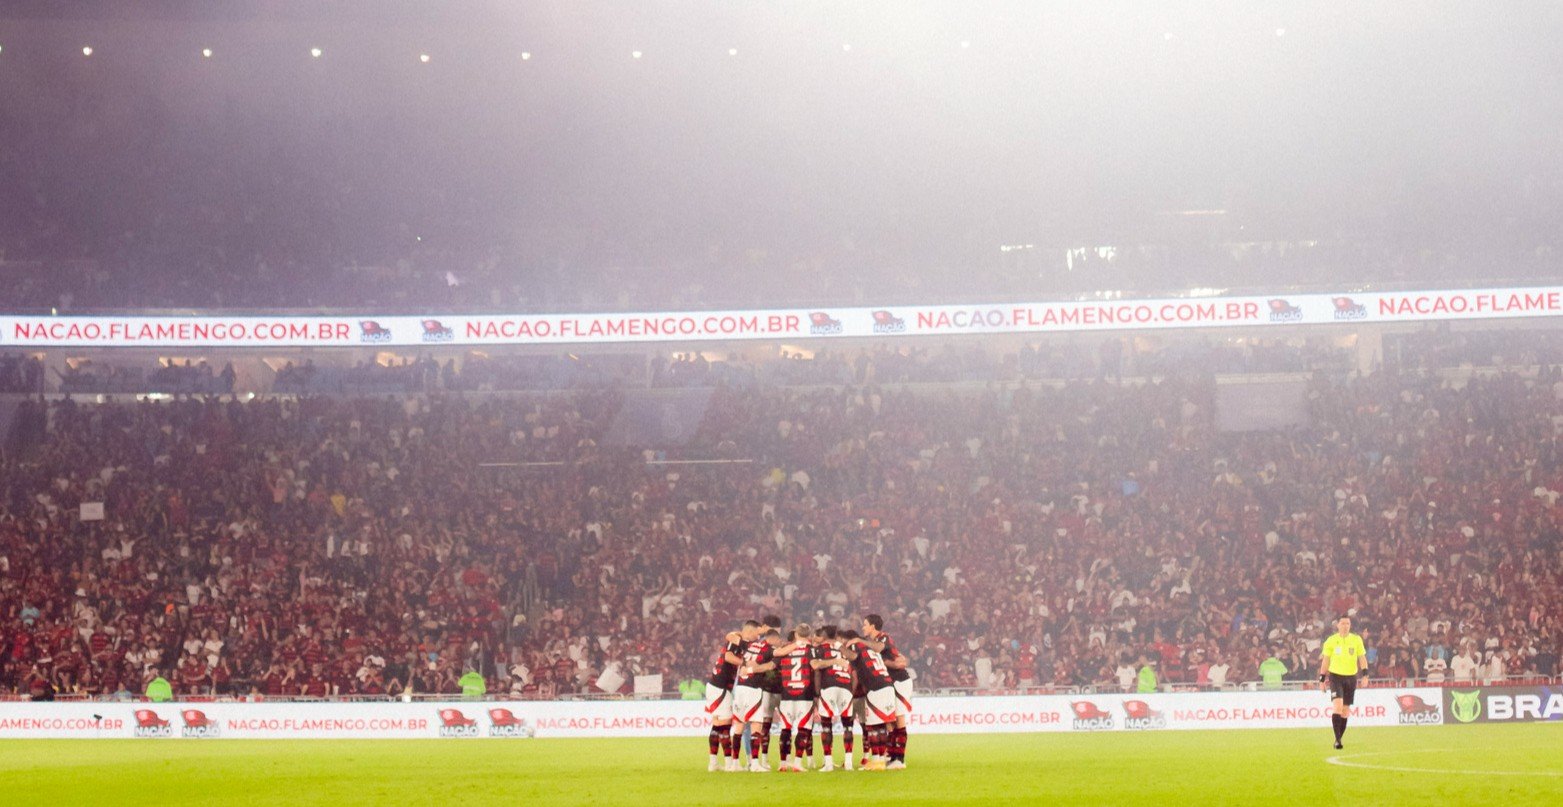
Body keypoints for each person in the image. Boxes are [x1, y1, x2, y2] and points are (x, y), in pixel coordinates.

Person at [836, 629, 898, 771]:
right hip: (887, 685)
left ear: (847, 639)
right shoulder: (869, 649)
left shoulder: (855, 645)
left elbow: (852, 656)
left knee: (873, 727)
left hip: (875, 688)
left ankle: (876, 761)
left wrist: (839, 646)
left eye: (842, 641)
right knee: (881, 726)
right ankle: (880, 760)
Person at [706, 620, 758, 772]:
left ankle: (713, 763)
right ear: (750, 631)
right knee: (725, 726)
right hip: (721, 687)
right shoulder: (736, 640)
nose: (757, 637)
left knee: (717, 725)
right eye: (756, 633)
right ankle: (729, 764)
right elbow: (728, 657)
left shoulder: (736, 638)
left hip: (715, 685)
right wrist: (744, 663)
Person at [861, 613, 912, 769]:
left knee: (899, 719)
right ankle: (892, 756)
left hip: (900, 681)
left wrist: (882, 660)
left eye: (865, 624)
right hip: (889, 684)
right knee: (890, 722)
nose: (863, 627)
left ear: (872, 626)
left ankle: (900, 759)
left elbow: (891, 657)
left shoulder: (883, 638)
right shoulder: (873, 642)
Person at [733, 628, 782, 772]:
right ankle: (755, 764)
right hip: (753, 689)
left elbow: (732, 637)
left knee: (739, 727)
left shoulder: (750, 645)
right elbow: (771, 665)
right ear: (773, 639)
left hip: (740, 687)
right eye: (778, 640)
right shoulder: (769, 649)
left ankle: (734, 764)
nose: (780, 643)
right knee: (756, 725)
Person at [771, 625, 818, 772]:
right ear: (809, 635)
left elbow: (773, 663)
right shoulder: (811, 650)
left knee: (785, 729)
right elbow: (815, 667)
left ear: (796, 634)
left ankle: (783, 763)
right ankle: (797, 763)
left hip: (786, 694)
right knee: (803, 729)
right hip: (805, 694)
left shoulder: (786, 649)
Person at [1318, 616, 1368, 749]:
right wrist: (1322, 679)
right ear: (1338, 625)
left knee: (1345, 711)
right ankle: (1338, 740)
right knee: (1337, 707)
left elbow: (1362, 658)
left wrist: (1365, 675)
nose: (1345, 626)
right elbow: (1325, 661)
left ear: (1350, 625)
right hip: (1336, 677)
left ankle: (1338, 737)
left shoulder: (1356, 639)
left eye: (1348, 623)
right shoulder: (1331, 641)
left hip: (1351, 677)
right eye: (1343, 623)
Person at [811, 625, 855, 772]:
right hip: (846, 686)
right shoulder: (843, 649)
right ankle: (848, 763)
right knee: (848, 726)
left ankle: (829, 764)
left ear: (823, 635)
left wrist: (817, 693)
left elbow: (817, 669)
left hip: (829, 685)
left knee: (826, 725)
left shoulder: (820, 648)